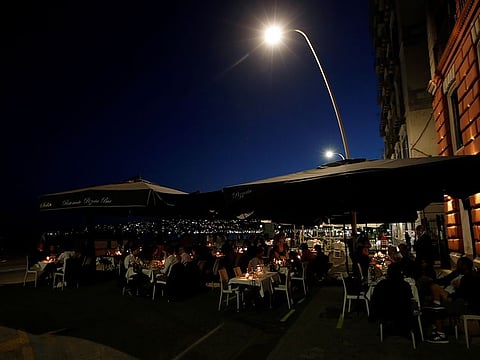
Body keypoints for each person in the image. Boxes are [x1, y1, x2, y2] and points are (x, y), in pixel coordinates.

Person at [425, 257, 480, 343]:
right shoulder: (457, 273)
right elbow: (444, 280)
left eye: (459, 264)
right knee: (434, 295)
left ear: (464, 266)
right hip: (453, 296)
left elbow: (464, 293)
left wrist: (452, 296)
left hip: (462, 302)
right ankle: (437, 325)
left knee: (436, 301)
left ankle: (440, 332)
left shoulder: (469, 278)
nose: (457, 265)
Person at [369, 262, 414, 337]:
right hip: (402, 313)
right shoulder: (405, 285)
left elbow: (374, 300)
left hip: (385, 312)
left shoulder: (381, 284)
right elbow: (409, 298)